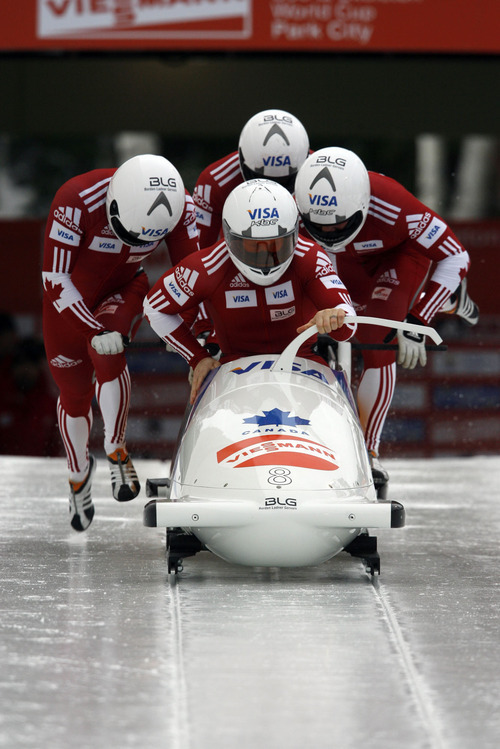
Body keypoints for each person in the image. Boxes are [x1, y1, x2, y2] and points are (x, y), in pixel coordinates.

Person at [294, 146, 479, 494]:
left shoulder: (398, 208)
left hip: (397, 258)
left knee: (381, 340)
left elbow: (456, 255)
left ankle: (368, 451)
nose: (328, 231)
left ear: (362, 206)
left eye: (338, 224)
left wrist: (417, 320)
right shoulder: (293, 210)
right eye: (316, 224)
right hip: (338, 264)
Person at [42, 153, 200, 532]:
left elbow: (194, 274)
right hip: (69, 300)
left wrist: (193, 332)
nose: (134, 242)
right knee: (75, 395)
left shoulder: (182, 206)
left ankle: (115, 448)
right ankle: (78, 474)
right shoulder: (76, 200)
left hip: (124, 289)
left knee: (109, 355)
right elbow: (54, 278)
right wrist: (91, 329)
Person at [144, 179, 357, 405]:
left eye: (276, 245)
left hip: (303, 362)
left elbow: (348, 324)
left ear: (293, 235)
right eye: (252, 247)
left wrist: (335, 317)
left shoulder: (309, 257)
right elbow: (155, 307)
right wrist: (198, 358)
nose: (265, 258)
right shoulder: (209, 266)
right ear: (230, 237)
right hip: (234, 369)